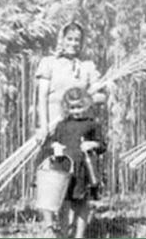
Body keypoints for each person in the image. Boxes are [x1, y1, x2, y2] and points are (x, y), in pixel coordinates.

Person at [40, 87, 105, 238]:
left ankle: (79, 235)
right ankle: (63, 233)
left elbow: (102, 145)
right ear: (66, 107)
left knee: (81, 203)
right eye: (72, 107)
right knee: (63, 202)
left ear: (86, 104)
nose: (76, 111)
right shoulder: (61, 125)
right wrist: (55, 146)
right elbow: (50, 144)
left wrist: (92, 145)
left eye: (79, 107)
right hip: (65, 170)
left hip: (84, 170)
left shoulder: (92, 124)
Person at [35, 21, 106, 136]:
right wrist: (44, 127)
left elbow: (100, 97)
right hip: (54, 124)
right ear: (62, 40)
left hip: (79, 126)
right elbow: (42, 97)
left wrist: (85, 101)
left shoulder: (87, 66)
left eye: (77, 40)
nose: (73, 43)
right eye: (69, 39)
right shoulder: (49, 63)